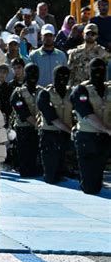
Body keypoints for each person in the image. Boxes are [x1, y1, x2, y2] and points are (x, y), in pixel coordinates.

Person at [70, 58, 111, 195]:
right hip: (87, 138)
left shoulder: (109, 89)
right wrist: (106, 129)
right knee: (89, 188)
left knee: (97, 182)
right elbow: (87, 113)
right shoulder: (81, 90)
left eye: (101, 69)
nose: (98, 73)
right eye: (95, 70)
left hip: (104, 139)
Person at [37, 66, 73, 184]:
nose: (62, 79)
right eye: (59, 76)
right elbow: (51, 118)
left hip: (66, 136)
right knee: (51, 177)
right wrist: (72, 132)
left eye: (65, 77)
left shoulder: (71, 93)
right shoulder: (45, 94)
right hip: (50, 135)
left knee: (65, 173)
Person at [10, 63, 42, 178]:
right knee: (25, 158)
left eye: (36, 73)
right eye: (30, 73)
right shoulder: (18, 93)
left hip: (38, 131)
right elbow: (23, 112)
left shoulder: (42, 92)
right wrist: (38, 125)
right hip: (24, 129)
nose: (33, 76)